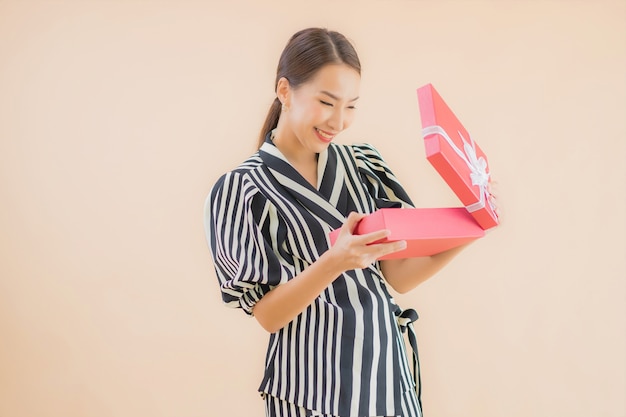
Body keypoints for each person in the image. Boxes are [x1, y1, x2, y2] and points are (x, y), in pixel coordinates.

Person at [204, 27, 469, 417]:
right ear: (284, 91)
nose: (339, 121)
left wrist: (471, 226)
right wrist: (335, 261)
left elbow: (395, 275)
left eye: (351, 106)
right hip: (311, 389)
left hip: (385, 376)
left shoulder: (363, 165)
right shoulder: (243, 189)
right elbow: (267, 315)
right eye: (327, 102)